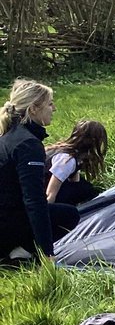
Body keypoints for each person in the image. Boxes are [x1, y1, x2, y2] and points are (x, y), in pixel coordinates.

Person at [0, 79, 74, 261]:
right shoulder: (28, 144)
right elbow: (33, 200)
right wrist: (47, 253)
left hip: (6, 216)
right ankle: (18, 253)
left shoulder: (9, 136)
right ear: (33, 109)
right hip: (7, 223)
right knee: (70, 215)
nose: (54, 108)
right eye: (50, 104)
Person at [45, 119, 108, 206]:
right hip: (43, 192)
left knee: (85, 187)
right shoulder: (67, 160)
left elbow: (75, 182)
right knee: (88, 190)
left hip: (43, 187)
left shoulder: (68, 151)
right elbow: (50, 193)